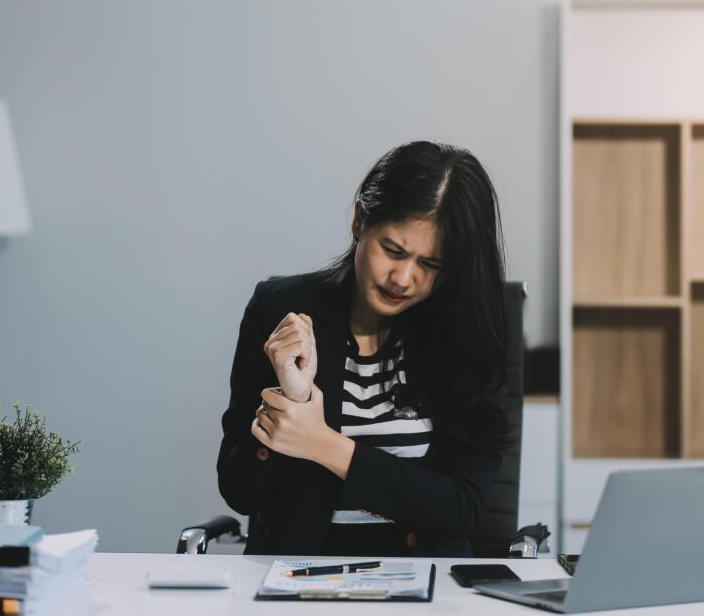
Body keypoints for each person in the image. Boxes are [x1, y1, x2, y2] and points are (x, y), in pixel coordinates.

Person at [216, 140, 509, 557]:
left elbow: (460, 509)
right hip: (295, 581)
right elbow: (239, 490)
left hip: (420, 580)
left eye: (430, 265)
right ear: (359, 221)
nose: (403, 278)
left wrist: (321, 443)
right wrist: (293, 399)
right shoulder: (281, 311)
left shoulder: (468, 336)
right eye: (393, 250)